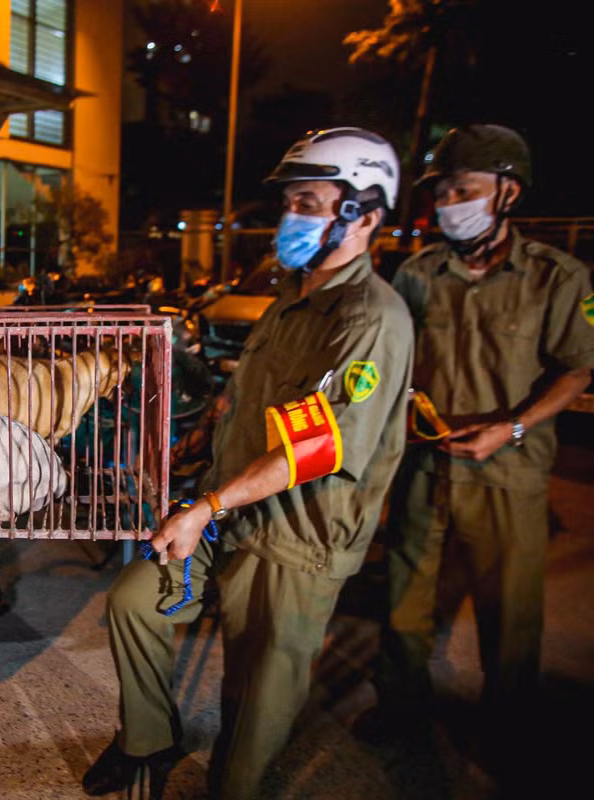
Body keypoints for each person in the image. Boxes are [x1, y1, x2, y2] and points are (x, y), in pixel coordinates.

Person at [83, 127, 414, 800]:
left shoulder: (370, 317)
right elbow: (248, 391)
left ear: (366, 216)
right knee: (135, 602)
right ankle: (149, 738)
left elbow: (319, 446)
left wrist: (204, 506)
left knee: (255, 699)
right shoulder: (292, 299)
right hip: (229, 510)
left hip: (295, 539)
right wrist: (205, 433)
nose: (290, 217)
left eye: (310, 201)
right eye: (290, 201)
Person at [357, 124, 594, 774]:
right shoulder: (417, 274)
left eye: (465, 189)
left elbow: (578, 369)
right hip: (424, 470)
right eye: (443, 191)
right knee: (405, 600)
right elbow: (389, 363)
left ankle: (508, 727)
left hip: (508, 475)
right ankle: (400, 706)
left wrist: (511, 428)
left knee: (510, 616)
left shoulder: (558, 277)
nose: (450, 202)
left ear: (507, 192)